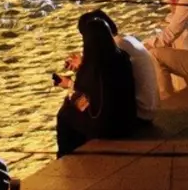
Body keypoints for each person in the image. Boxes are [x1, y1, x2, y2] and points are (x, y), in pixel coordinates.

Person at [55, 10, 143, 156]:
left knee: (65, 113)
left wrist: (69, 86)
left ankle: (65, 155)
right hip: (128, 122)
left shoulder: (95, 66)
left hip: (108, 127)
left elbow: (85, 94)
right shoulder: (122, 57)